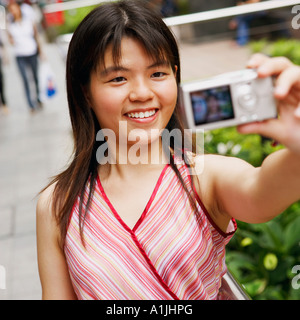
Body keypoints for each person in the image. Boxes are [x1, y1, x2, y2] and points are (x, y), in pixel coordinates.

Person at [36, 0, 300, 300]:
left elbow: (263, 189)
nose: (142, 93)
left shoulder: (204, 178)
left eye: (157, 74)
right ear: (85, 90)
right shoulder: (57, 206)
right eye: (118, 78)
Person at [6, 1, 42, 112]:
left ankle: (38, 98)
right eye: (11, 10)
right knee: (25, 79)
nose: (14, 11)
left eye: (15, 9)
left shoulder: (28, 20)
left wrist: (41, 51)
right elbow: (10, 39)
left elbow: (36, 36)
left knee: (35, 77)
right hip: (19, 55)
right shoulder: (10, 23)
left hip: (31, 51)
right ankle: (30, 104)